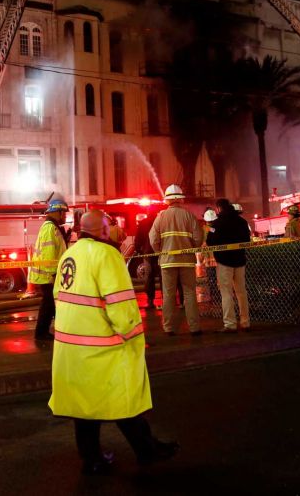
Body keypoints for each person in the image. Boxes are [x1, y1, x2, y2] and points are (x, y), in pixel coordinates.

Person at [49, 210, 179, 475]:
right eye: (109, 226)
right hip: (104, 346)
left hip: (72, 346)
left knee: (85, 407)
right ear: (104, 230)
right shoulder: (107, 255)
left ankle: (93, 458)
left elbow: (58, 295)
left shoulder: (69, 255)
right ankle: (147, 451)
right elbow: (119, 301)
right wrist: (132, 333)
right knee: (124, 398)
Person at [150, 184, 204, 336]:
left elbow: (153, 239)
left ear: (167, 200)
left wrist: (160, 252)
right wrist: (192, 247)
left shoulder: (160, 217)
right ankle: (194, 328)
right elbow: (198, 238)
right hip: (187, 261)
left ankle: (169, 328)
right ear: (181, 199)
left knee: (168, 295)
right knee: (189, 293)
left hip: (167, 261)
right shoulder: (189, 215)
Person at [207, 199, 251, 333]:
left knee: (226, 293)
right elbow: (247, 240)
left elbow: (210, 241)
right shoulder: (242, 222)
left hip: (224, 261)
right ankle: (245, 322)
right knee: (241, 292)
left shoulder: (217, 223)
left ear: (219, 208)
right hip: (240, 261)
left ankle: (230, 323)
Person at [29, 198, 69, 341]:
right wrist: (53, 274)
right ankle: (41, 333)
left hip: (48, 274)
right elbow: (49, 254)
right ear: (57, 212)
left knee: (50, 305)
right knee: (48, 305)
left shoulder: (52, 227)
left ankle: (46, 332)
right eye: (63, 213)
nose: (65, 216)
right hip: (47, 275)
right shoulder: (49, 228)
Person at [134, 210, 160, 310]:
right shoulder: (159, 221)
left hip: (147, 253)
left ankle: (150, 301)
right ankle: (167, 300)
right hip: (160, 253)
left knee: (149, 277)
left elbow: (138, 239)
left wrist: (139, 250)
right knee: (163, 277)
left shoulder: (143, 223)